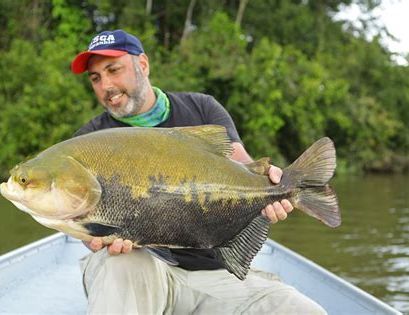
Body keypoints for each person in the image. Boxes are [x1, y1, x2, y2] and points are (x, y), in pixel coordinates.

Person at [71, 29, 326, 314]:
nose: (106, 85)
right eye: (95, 78)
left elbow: (240, 162)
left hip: (215, 271)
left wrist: (272, 186)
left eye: (113, 70)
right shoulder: (88, 141)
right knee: (121, 263)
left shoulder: (202, 107)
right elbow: (81, 219)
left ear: (142, 64)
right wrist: (89, 237)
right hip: (140, 270)